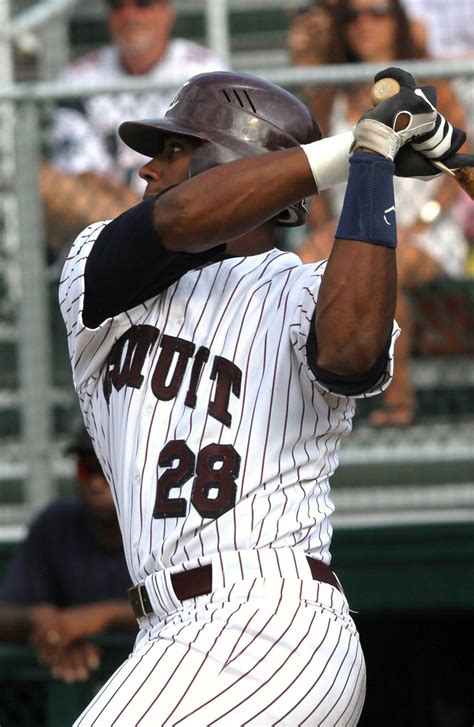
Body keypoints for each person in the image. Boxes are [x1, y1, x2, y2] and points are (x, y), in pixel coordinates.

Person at [59, 66, 468, 724]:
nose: (146, 169)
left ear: (233, 160)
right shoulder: (94, 275)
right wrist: (354, 145)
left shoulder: (305, 288)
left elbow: (349, 351)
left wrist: (371, 164)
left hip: (269, 622)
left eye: (175, 149)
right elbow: (184, 218)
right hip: (170, 631)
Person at [296, 0, 470, 426]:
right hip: (350, 228)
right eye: (352, 15)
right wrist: (324, 228)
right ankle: (318, 399)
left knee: (381, 260)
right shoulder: (329, 89)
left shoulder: (431, 88)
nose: (364, 24)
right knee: (313, 266)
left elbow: (458, 167)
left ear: (398, 23)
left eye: (377, 13)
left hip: (428, 232)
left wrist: (421, 222)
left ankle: (393, 400)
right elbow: (312, 173)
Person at [41, 0, 228, 258]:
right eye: (117, 6)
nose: (129, 15)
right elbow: (82, 176)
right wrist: (143, 218)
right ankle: (150, 240)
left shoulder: (204, 70)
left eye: (143, 3)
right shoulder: (79, 77)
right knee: (44, 181)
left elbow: (212, 170)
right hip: (105, 224)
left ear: (167, 12)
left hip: (184, 216)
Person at [0, 426, 136, 684]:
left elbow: (191, 607)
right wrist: (46, 626)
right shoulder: (57, 523)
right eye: (86, 469)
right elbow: (5, 613)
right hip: (73, 677)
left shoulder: (162, 524)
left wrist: (103, 616)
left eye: (106, 470)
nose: (96, 482)